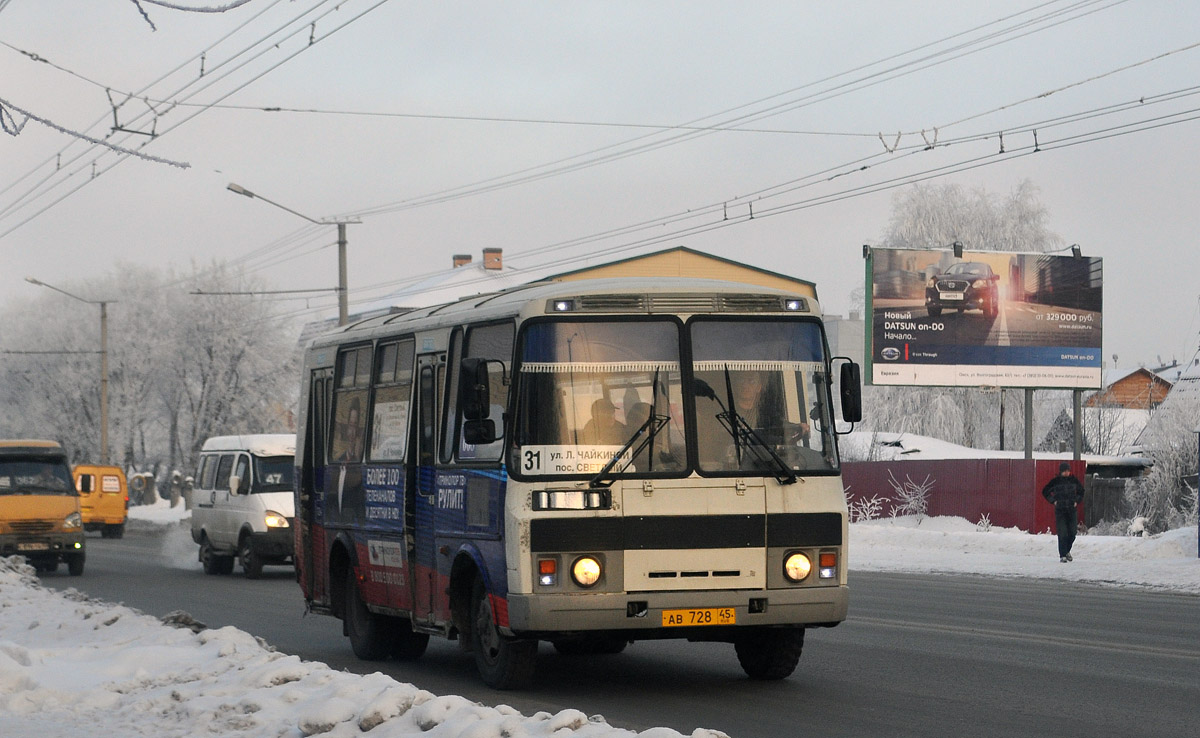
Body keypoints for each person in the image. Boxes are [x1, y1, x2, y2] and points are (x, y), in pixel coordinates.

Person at [1041, 462, 1085, 562]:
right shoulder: (1056, 481)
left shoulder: (1073, 480)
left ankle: (1067, 551)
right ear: (1061, 472)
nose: (1067, 473)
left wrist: (1076, 501)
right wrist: (1053, 501)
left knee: (1072, 533)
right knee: (1062, 533)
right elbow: (1045, 491)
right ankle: (1062, 555)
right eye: (1065, 471)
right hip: (1060, 510)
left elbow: (1081, 491)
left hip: (1072, 510)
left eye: (1068, 471)